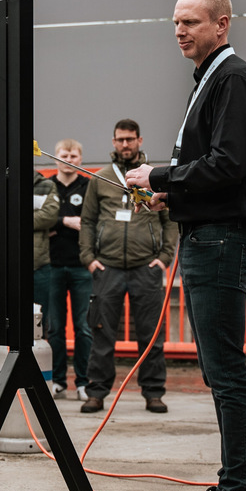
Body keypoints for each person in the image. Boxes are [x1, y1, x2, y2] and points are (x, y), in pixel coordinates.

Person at [126, 0, 246, 491]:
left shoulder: (234, 79)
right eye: (176, 22)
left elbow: (230, 164)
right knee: (218, 371)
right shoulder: (212, 78)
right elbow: (212, 170)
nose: (180, 31)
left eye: (191, 21)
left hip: (222, 241)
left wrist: (160, 178)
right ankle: (229, 485)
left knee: (226, 373)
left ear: (222, 25)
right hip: (207, 233)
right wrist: (175, 198)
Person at [79, 119, 178, 414]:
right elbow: (88, 221)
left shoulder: (153, 177)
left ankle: (153, 392)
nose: (125, 144)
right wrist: (89, 258)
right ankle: (96, 392)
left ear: (139, 140)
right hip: (107, 268)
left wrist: (164, 258)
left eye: (130, 139)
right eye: (120, 139)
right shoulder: (100, 179)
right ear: (113, 142)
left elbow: (170, 218)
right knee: (102, 333)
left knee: (150, 335)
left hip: (145, 269)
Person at [47, 139, 93, 401]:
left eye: (74, 155)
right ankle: (58, 381)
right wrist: (65, 220)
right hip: (52, 265)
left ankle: (84, 382)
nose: (69, 159)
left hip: (81, 267)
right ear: (55, 158)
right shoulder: (46, 186)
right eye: (64, 155)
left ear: (80, 159)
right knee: (54, 327)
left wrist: (57, 227)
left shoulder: (88, 187)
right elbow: (38, 219)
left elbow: (90, 221)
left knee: (83, 327)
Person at [33, 170, 60, 331]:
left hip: (39, 266)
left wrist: (15, 217)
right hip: (8, 267)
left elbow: (50, 216)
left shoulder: (46, 185)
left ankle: (38, 356)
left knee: (39, 322)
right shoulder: (2, 181)